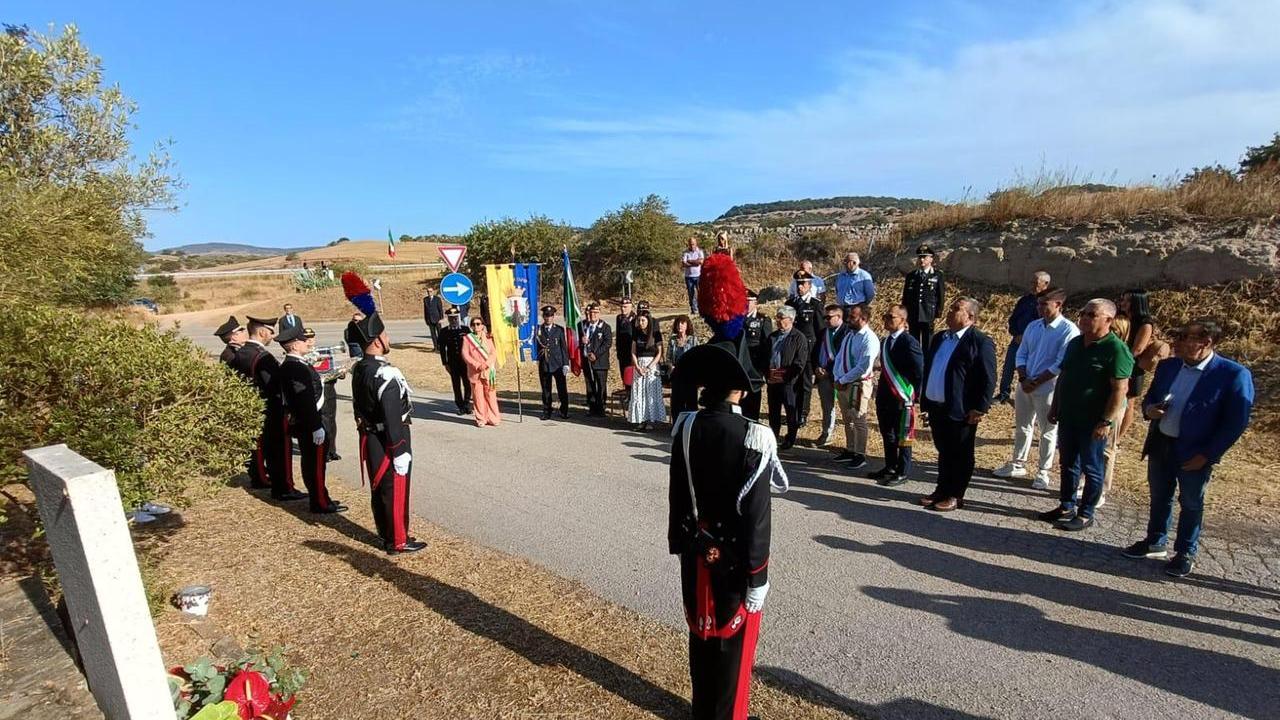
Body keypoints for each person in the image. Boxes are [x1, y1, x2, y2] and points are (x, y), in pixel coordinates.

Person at [667, 339, 787, 720]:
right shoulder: (756, 436)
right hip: (734, 562)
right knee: (731, 649)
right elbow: (756, 518)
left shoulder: (685, 426)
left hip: (695, 554)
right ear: (738, 389)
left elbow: (678, 498)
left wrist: (682, 542)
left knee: (701, 641)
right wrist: (758, 575)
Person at [1123, 320, 1254, 577]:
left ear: (1205, 343)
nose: (1177, 341)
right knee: (1160, 496)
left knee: (1192, 502)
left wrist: (1208, 455)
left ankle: (1185, 552)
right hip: (1162, 443)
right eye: (1178, 335)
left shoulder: (1232, 374)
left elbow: (1235, 423)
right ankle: (1155, 541)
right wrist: (1150, 410)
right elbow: (1150, 398)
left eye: (1184, 337)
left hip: (1195, 452)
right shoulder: (1168, 366)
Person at [1037, 299, 1133, 531]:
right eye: (1083, 313)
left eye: (1092, 315)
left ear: (1108, 320)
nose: (1085, 318)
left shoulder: (1116, 349)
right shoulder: (1076, 343)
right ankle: (1066, 505)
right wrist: (1055, 406)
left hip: (1093, 421)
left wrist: (1106, 421)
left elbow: (1120, 389)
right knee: (1068, 463)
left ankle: (1086, 512)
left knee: (1092, 467)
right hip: (1069, 416)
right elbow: (1064, 376)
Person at [349, 309, 426, 554]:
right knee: (394, 488)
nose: (389, 338)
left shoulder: (361, 368)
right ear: (377, 341)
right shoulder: (386, 374)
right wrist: (399, 450)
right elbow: (392, 418)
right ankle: (398, 540)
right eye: (385, 334)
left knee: (381, 488)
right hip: (389, 439)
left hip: (370, 437)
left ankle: (386, 533)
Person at [994, 288, 1079, 490]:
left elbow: (1060, 363)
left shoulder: (1068, 330)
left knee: (1048, 430)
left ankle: (1043, 471)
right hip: (1025, 384)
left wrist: (1038, 380)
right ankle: (1017, 463)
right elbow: (1021, 353)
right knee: (1023, 425)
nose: (1040, 308)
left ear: (1058, 305)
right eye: (1039, 304)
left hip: (1048, 388)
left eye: (1044, 304)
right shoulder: (1033, 326)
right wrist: (1023, 377)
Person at [918, 298, 997, 512]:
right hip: (937, 405)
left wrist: (980, 408)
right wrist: (925, 400)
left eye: (956, 309)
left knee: (961, 453)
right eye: (951, 307)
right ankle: (941, 489)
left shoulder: (980, 341)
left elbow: (988, 378)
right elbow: (930, 368)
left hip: (962, 410)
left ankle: (956, 494)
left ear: (970, 317)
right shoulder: (940, 338)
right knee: (944, 450)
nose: (950, 312)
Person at [236, 316, 306, 501]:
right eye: (271, 331)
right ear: (262, 332)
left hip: (252, 408)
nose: (272, 335)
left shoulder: (242, 353)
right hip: (271, 410)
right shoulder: (263, 356)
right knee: (280, 451)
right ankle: (284, 488)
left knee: (264, 448)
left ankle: (271, 481)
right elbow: (274, 387)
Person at [277, 325, 345, 514]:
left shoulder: (297, 364)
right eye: (303, 340)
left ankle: (322, 496)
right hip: (309, 423)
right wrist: (316, 426)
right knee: (314, 464)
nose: (307, 342)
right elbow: (304, 400)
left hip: (308, 420)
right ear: (295, 345)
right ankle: (320, 502)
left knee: (315, 463)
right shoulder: (295, 367)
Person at [871, 305, 924, 486]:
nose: (886, 319)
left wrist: (914, 396)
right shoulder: (885, 342)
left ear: (903, 320)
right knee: (888, 433)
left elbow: (919, 371)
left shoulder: (909, 342)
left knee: (903, 435)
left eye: (891, 317)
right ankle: (890, 466)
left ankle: (903, 471)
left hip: (902, 396)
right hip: (885, 395)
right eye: (885, 316)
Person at [832, 304, 880, 469]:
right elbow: (839, 357)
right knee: (847, 419)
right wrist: (837, 377)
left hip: (859, 384)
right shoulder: (849, 335)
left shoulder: (869, 338)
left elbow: (863, 366)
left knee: (858, 419)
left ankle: (860, 454)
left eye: (852, 317)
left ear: (864, 319)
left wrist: (844, 379)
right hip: (843, 382)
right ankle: (850, 449)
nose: (848, 320)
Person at [998, 271, 1050, 404]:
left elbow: (1042, 324)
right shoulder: (1024, 300)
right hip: (1017, 340)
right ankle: (1003, 394)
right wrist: (1016, 334)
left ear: (1046, 284)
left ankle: (1028, 394)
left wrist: (1027, 338)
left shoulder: (1046, 303)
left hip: (1033, 343)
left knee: (1029, 369)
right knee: (1009, 366)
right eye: (1031, 282)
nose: (1032, 285)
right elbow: (1013, 319)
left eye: (1036, 283)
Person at [767, 305, 809, 450]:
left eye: (781, 318)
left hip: (790, 383)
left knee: (791, 412)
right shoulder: (773, 337)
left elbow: (800, 362)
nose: (778, 321)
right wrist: (768, 374)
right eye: (777, 318)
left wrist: (784, 377)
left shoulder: (799, 338)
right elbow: (765, 357)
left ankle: (790, 439)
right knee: (773, 412)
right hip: (772, 381)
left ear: (790, 319)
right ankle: (773, 437)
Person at [785, 271, 823, 426]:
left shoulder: (815, 305)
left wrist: (819, 355)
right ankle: (792, 411)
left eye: (803, 284)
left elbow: (820, 331)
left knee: (805, 384)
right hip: (792, 350)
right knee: (792, 382)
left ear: (809, 285)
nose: (800, 287)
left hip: (808, 350)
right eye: (798, 284)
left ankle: (803, 413)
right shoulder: (790, 304)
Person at [1117, 289, 1154, 441]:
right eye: (1123, 299)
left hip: (1132, 367)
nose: (1123, 303)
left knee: (1128, 402)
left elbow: (1137, 349)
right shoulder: (1121, 318)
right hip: (1118, 363)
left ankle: (1118, 438)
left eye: (1128, 301)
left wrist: (1122, 363)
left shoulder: (1145, 324)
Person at [812, 305, 849, 447]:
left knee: (846, 410)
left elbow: (842, 356)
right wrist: (816, 367)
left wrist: (829, 369)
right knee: (827, 407)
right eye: (824, 317)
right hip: (822, 376)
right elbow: (816, 352)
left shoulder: (847, 332)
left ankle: (850, 443)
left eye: (829, 317)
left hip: (840, 376)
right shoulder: (823, 332)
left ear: (839, 317)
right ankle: (826, 433)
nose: (826, 320)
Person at [902, 244, 945, 349]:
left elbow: (940, 295)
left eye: (925, 257)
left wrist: (938, 313)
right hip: (913, 314)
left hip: (928, 314)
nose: (922, 260)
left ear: (931, 259)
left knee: (928, 344)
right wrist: (904, 314)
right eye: (920, 257)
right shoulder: (911, 276)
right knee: (913, 343)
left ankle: (927, 364)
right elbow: (906, 296)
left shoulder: (937, 275)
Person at [628, 313, 666, 430]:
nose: (641, 323)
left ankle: (651, 420)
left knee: (650, 393)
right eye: (639, 320)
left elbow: (659, 352)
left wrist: (650, 367)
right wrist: (638, 367)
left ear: (648, 321)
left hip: (652, 365)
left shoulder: (655, 334)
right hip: (639, 365)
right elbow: (633, 352)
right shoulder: (636, 333)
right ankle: (641, 420)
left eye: (643, 320)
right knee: (639, 393)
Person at [462, 316, 501, 427]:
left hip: (488, 371)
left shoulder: (488, 338)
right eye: (473, 324)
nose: (476, 326)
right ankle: (481, 418)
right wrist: (477, 365)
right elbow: (465, 355)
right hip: (475, 371)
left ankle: (494, 418)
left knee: (490, 395)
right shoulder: (467, 339)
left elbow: (493, 353)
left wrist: (487, 364)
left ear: (483, 325)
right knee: (478, 396)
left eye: (478, 324)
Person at [740, 290, 773, 422]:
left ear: (756, 302)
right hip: (740, 365)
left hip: (755, 367)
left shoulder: (763, 320)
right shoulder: (737, 319)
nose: (747, 304)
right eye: (745, 302)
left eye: (750, 301)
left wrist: (764, 368)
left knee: (753, 400)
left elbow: (767, 345)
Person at [536, 305, 570, 420]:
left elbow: (563, 347)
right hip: (545, 363)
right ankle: (547, 410)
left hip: (558, 364)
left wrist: (566, 363)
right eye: (546, 316)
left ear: (553, 317)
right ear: (543, 316)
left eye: (550, 316)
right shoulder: (538, 329)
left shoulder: (559, 329)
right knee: (546, 389)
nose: (548, 318)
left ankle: (564, 410)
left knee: (562, 389)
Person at [578, 302, 612, 417]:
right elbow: (577, 342)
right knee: (590, 385)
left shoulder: (605, 327)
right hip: (587, 361)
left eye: (596, 312)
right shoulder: (583, 326)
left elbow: (607, 343)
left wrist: (595, 354)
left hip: (600, 361)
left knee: (601, 385)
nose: (593, 315)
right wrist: (581, 341)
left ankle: (601, 408)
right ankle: (592, 407)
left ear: (599, 313)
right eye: (591, 312)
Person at [438, 307, 473, 414]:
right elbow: (442, 349)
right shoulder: (444, 332)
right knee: (456, 384)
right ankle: (460, 405)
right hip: (453, 363)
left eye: (455, 318)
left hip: (465, 362)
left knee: (467, 383)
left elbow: (472, 345)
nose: (454, 320)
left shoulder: (465, 330)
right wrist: (445, 363)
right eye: (451, 318)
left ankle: (467, 403)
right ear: (448, 319)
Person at [667, 315, 699, 416]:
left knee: (691, 403)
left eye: (682, 323)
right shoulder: (672, 340)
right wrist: (671, 366)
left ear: (687, 325)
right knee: (677, 403)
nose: (680, 325)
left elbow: (698, 358)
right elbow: (668, 357)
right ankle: (677, 427)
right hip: (677, 375)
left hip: (690, 376)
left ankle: (690, 427)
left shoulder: (693, 340)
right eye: (678, 323)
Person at [616, 297, 637, 401]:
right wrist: (618, 350)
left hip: (631, 351)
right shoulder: (619, 318)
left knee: (631, 373)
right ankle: (627, 392)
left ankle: (633, 394)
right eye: (621, 307)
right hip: (622, 351)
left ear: (631, 307)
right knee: (623, 373)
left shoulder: (635, 318)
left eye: (625, 307)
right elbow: (618, 336)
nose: (623, 309)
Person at [681, 236, 705, 315]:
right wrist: (695, 263)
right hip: (688, 277)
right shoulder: (685, 252)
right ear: (688, 244)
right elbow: (684, 263)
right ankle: (694, 310)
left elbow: (701, 262)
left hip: (698, 276)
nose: (692, 246)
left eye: (693, 244)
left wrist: (690, 261)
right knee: (691, 294)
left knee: (701, 293)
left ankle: (702, 309)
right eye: (690, 244)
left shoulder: (699, 252)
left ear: (696, 243)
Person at [423, 286, 444, 350]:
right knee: (433, 335)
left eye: (430, 291)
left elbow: (440, 309)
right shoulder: (425, 299)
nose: (429, 293)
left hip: (437, 319)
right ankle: (435, 347)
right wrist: (426, 319)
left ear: (433, 292)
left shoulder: (437, 299)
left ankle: (441, 346)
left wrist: (441, 318)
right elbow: (425, 310)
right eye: (428, 291)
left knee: (440, 334)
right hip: (429, 319)